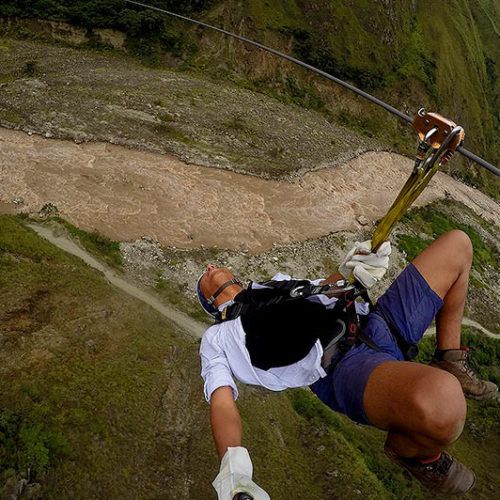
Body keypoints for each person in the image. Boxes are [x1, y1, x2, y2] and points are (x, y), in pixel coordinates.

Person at [198, 230, 497, 499]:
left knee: (457, 245)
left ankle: (450, 358)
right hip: (343, 367)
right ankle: (414, 453)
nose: (211, 267)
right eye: (204, 275)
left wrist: (352, 268)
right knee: (445, 404)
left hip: (373, 321)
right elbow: (222, 402)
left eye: (211, 266)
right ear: (210, 301)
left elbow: (325, 290)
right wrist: (234, 472)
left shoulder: (273, 285)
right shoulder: (217, 338)